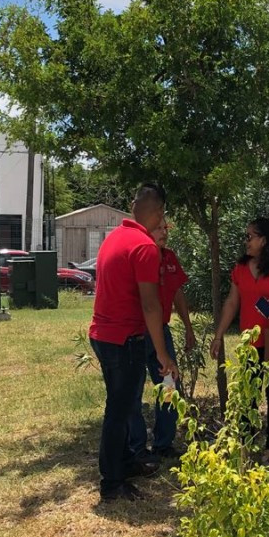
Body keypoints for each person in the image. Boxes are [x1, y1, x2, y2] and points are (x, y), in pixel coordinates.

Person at [89, 183, 179, 502]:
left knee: (124, 406)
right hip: (124, 339)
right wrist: (164, 355)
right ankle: (112, 483)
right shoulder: (144, 246)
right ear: (159, 213)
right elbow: (151, 305)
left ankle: (126, 463)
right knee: (119, 410)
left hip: (103, 335)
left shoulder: (115, 237)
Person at [209, 217, 269, 466]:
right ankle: (244, 443)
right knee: (248, 394)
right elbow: (232, 302)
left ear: (264, 240)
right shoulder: (241, 268)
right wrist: (219, 335)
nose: (246, 241)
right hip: (249, 344)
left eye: (250, 236)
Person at [127, 220, 195, 459]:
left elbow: (178, 292)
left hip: (162, 331)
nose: (164, 232)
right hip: (136, 332)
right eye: (159, 228)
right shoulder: (139, 255)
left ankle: (163, 443)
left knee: (168, 385)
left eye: (166, 228)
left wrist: (188, 327)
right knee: (132, 391)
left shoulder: (169, 258)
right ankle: (136, 447)